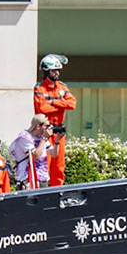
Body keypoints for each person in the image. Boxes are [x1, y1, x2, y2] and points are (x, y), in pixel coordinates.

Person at [34, 55, 76, 185]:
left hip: (58, 131)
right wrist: (60, 103)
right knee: (44, 165)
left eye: (58, 70)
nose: (57, 73)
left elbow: (72, 104)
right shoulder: (39, 88)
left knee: (58, 166)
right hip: (45, 131)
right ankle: (42, 193)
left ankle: (58, 192)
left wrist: (52, 102)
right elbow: (41, 108)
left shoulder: (62, 87)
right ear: (46, 71)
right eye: (54, 70)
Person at [8, 115, 53, 190]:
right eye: (46, 126)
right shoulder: (24, 137)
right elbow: (35, 156)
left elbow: (54, 153)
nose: (48, 128)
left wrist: (58, 140)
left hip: (42, 177)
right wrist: (44, 138)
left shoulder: (41, 137)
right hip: (28, 178)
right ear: (38, 126)